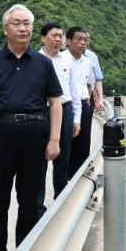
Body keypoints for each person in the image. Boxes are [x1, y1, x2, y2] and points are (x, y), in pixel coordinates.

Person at [0, 4, 62, 251]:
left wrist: (54, 139)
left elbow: (55, 102)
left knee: (29, 200)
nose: (23, 28)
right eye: (17, 23)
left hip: (34, 133)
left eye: (27, 23)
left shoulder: (44, 63)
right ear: (5, 29)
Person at [37, 22, 81, 218]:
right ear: (43, 38)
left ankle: (60, 202)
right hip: (40, 113)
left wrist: (76, 118)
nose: (58, 39)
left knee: (62, 160)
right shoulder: (35, 59)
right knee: (39, 161)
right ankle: (37, 208)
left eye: (60, 36)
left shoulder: (67, 60)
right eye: (54, 35)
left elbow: (75, 90)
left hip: (64, 110)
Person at [63, 27, 95, 180]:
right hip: (66, 106)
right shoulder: (60, 59)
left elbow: (90, 84)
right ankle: (66, 180)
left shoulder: (87, 62)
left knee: (83, 144)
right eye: (79, 39)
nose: (83, 43)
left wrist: (87, 99)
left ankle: (80, 180)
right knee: (67, 144)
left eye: (86, 40)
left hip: (84, 105)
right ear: (68, 41)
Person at [83, 29, 105, 113]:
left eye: (87, 39)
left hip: (89, 95)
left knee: (87, 124)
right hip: (72, 96)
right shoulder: (66, 56)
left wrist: (99, 99)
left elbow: (97, 79)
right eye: (81, 39)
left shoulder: (92, 56)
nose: (84, 42)